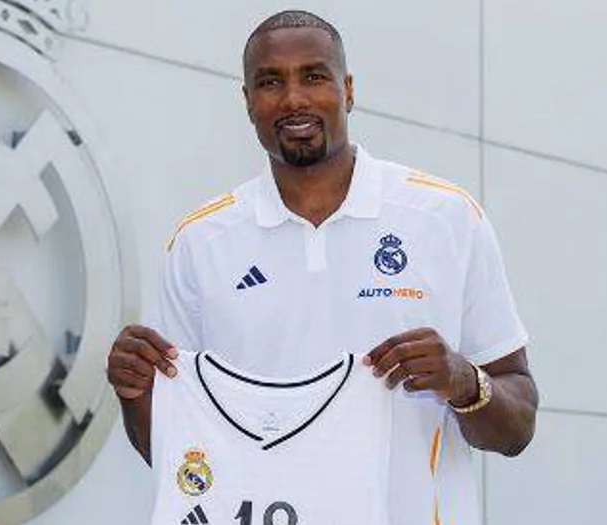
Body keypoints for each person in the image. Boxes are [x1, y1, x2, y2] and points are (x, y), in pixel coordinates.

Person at [106, 9, 538, 524]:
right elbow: (184, 456)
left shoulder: (445, 218)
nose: (293, 99)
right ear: (248, 103)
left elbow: (519, 425)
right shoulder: (201, 242)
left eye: (314, 76)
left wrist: (465, 381)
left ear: (348, 89)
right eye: (270, 82)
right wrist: (135, 395)